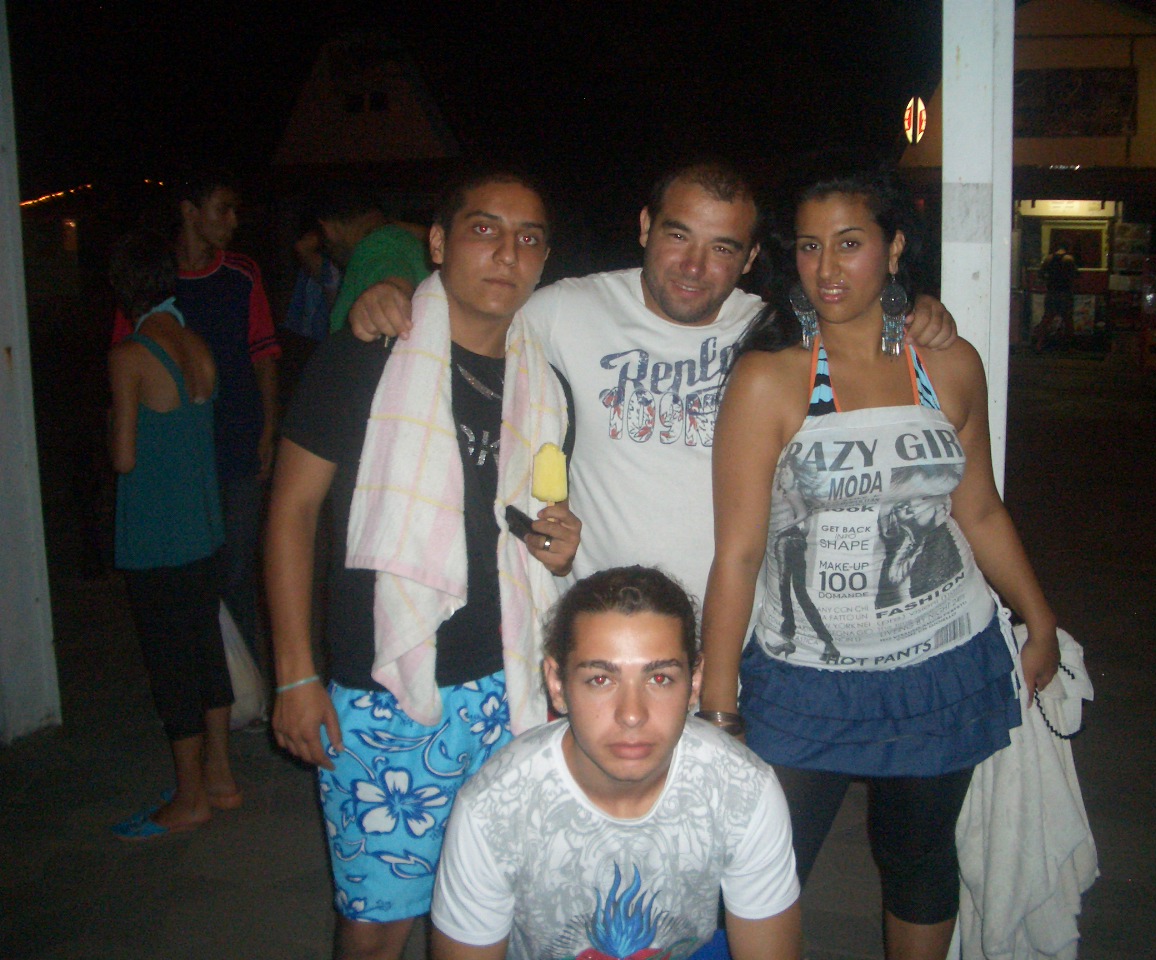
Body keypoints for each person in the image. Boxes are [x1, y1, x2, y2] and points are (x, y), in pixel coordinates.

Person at [699, 170, 1060, 960]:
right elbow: (739, 553)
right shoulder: (771, 376)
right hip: (805, 677)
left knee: (919, 860)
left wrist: (1039, 619)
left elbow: (979, 509)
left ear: (894, 248)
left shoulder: (949, 365)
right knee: (760, 871)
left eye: (850, 243)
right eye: (809, 246)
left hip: (939, 666)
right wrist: (720, 706)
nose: (826, 268)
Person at [347, 162, 958, 607]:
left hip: (742, 627)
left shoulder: (774, 332)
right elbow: (468, 311)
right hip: (600, 626)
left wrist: (917, 310)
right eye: (678, 235)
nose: (694, 266)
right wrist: (398, 290)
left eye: (722, 248)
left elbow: (859, 317)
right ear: (645, 226)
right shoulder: (565, 311)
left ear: (749, 260)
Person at [266, 169, 580, 960]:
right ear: (439, 243)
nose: (507, 253)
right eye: (484, 229)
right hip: (384, 685)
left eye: (529, 238)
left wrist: (558, 546)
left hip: (508, 684)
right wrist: (296, 676)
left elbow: (524, 530)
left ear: (543, 260)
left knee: (490, 914)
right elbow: (292, 511)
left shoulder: (546, 387)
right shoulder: (366, 356)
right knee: (378, 924)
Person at [430, 566, 802, 960]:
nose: (632, 714)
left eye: (659, 678)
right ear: (557, 684)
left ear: (694, 683)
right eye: (600, 679)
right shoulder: (492, 809)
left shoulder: (742, 789)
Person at [111, 169, 281, 659]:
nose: (233, 221)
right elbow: (125, 369)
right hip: (178, 455)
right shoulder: (151, 281)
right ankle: (205, 676)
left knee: (237, 571)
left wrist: (269, 428)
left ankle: (243, 683)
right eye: (222, 208)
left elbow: (265, 354)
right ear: (189, 211)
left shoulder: (241, 273)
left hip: (238, 439)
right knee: (191, 574)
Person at [106, 230, 241, 838]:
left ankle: (189, 797)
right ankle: (221, 778)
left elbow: (124, 457)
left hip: (157, 536)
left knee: (171, 664)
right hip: (203, 530)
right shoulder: (196, 345)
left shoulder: (131, 354)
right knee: (206, 650)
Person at [313, 186, 430, 335]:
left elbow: (390, 281)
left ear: (327, 228)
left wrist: (391, 290)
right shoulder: (404, 241)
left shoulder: (373, 245)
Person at [1034, 245, 1077, 351]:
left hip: (1051, 292)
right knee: (1068, 319)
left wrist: (1048, 280)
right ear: (1068, 248)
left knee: (1047, 318)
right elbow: (1075, 275)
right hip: (1065, 293)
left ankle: (1039, 343)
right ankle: (1069, 346)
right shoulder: (1069, 259)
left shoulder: (1048, 259)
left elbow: (1040, 274)